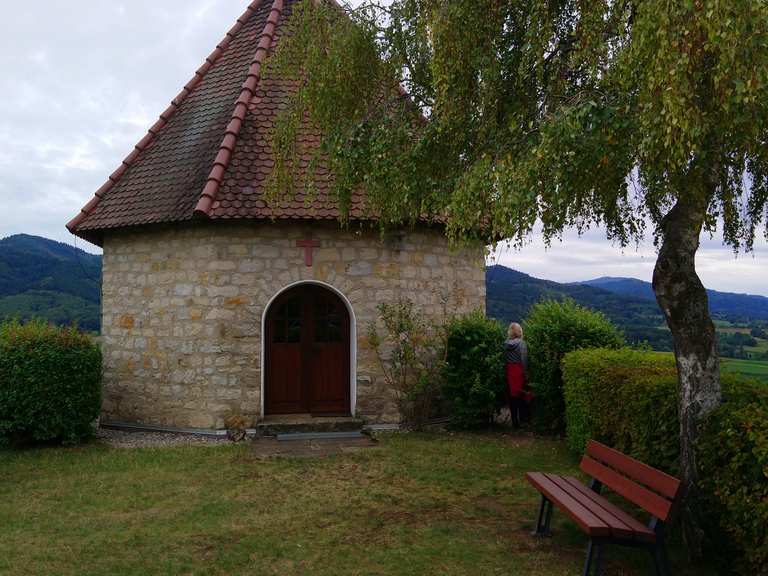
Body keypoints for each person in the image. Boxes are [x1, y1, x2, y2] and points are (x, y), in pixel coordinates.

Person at [505, 322, 532, 428]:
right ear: (520, 331)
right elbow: (524, 359)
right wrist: (526, 374)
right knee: (522, 396)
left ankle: (514, 421)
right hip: (519, 371)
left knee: (512, 397)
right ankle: (523, 420)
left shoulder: (506, 343)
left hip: (510, 371)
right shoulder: (522, 344)